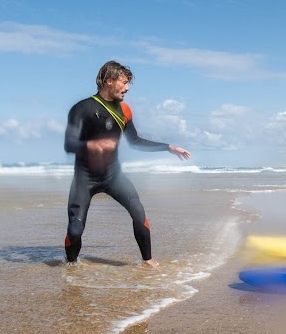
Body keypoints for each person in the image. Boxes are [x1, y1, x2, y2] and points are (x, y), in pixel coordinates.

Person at [63, 60, 191, 267]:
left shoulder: (125, 111)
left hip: (113, 176)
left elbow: (135, 142)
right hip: (84, 179)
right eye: (124, 83)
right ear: (109, 81)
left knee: (138, 213)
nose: (127, 88)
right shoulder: (81, 109)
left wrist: (168, 147)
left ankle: (147, 261)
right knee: (75, 230)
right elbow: (69, 144)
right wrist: (90, 146)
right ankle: (70, 265)